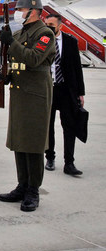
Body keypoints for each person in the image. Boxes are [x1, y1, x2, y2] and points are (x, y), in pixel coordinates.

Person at [0, 0, 55, 212]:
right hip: (21, 92)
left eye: (22, 10)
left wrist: (11, 42)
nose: (19, 13)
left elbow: (33, 59)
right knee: (19, 141)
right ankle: (22, 185)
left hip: (36, 94)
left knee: (33, 143)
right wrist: (8, 75)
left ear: (34, 11)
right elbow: (16, 61)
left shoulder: (45, 33)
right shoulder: (22, 32)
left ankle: (33, 190)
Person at [43, 14, 86, 176]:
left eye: (52, 24)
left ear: (60, 26)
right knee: (48, 126)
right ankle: (50, 158)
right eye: (47, 24)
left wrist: (80, 93)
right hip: (49, 89)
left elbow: (77, 68)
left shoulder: (70, 42)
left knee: (69, 127)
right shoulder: (43, 41)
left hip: (67, 90)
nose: (49, 27)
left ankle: (69, 162)